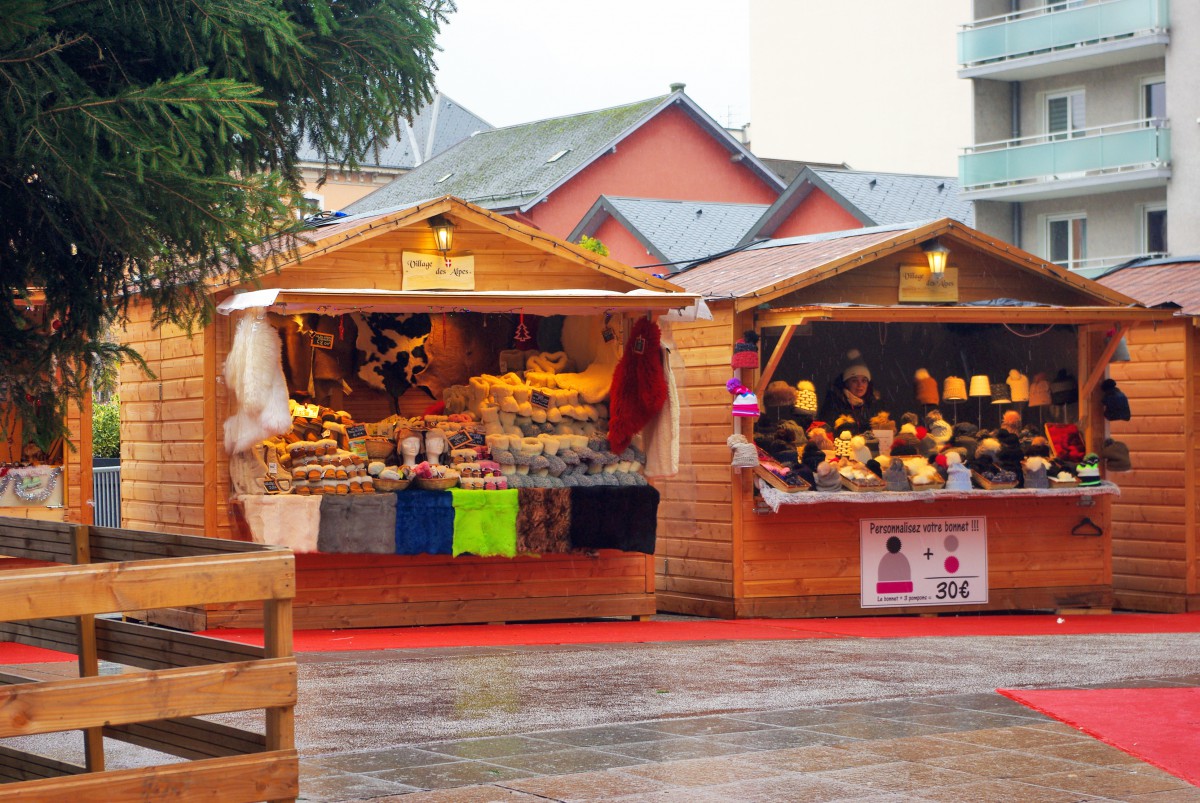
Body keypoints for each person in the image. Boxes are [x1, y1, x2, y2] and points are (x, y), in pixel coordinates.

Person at [819, 350, 881, 432]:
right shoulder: (834, 403)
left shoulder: (873, 404)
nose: (860, 385)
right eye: (854, 381)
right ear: (847, 383)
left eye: (864, 380)